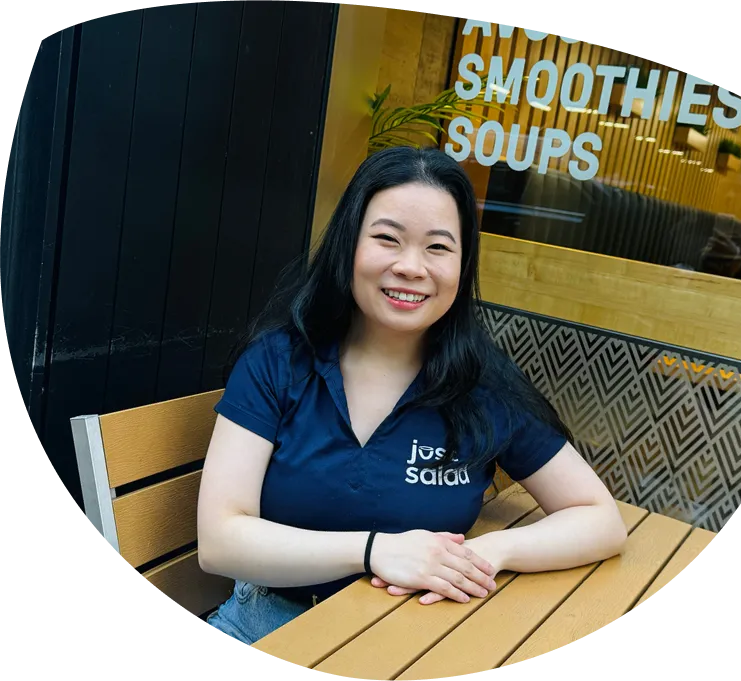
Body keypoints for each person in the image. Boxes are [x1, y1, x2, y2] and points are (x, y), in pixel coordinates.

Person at [196, 147, 628, 647]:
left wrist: (488, 554)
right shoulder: (279, 362)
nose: (410, 267)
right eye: (387, 239)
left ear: (463, 265)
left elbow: (600, 519)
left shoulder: (482, 383)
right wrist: (374, 551)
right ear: (348, 246)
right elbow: (220, 540)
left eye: (438, 247)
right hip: (271, 624)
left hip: (418, 637)